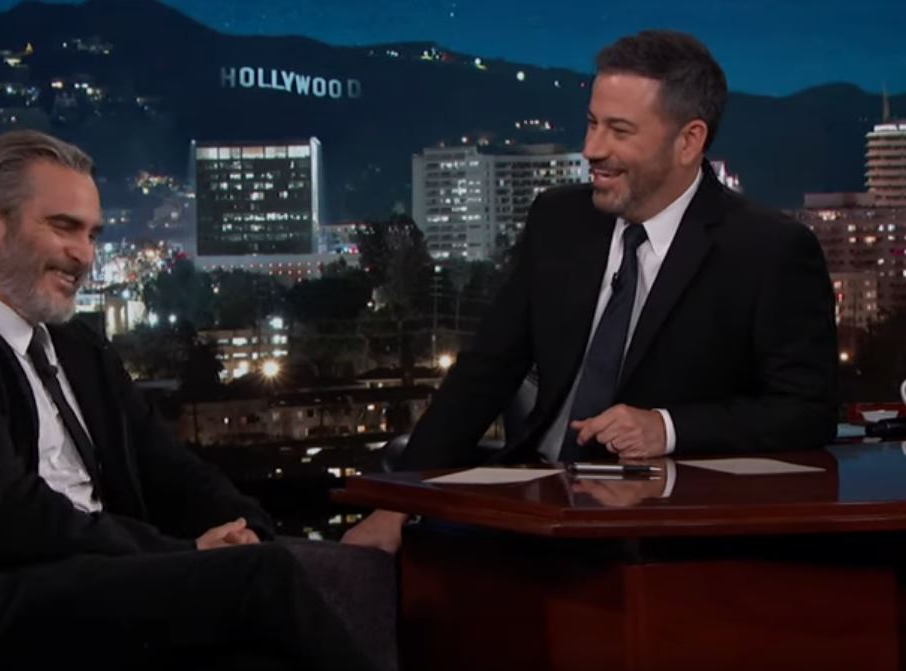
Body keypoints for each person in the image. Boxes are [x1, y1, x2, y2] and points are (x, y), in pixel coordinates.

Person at [0, 130, 378, 671]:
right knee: (261, 579)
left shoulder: (76, 347)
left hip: (88, 578)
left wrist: (245, 528)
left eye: (92, 234)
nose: (83, 254)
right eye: (63, 227)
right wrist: (186, 555)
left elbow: (169, 468)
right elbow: (4, 515)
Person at [343, 30, 838, 554]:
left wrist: (667, 428)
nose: (592, 149)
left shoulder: (767, 249)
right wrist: (400, 502)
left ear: (688, 141)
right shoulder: (560, 220)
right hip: (534, 498)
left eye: (619, 131)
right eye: (592, 123)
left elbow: (805, 410)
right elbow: (485, 371)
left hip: (664, 525)